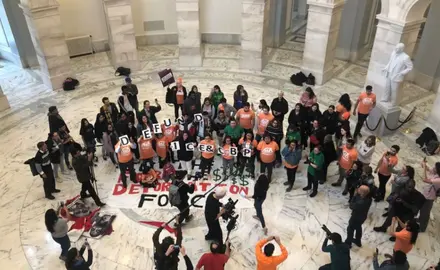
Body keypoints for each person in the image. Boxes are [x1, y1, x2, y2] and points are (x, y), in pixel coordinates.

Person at [419, 161, 440, 232]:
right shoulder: (436, 173)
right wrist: (423, 164)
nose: (433, 168)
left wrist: (424, 168)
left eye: (435, 167)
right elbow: (428, 169)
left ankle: (422, 228)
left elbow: (425, 180)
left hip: (430, 197)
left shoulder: (438, 180)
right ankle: (419, 219)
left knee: (425, 212)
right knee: (422, 209)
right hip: (426, 193)